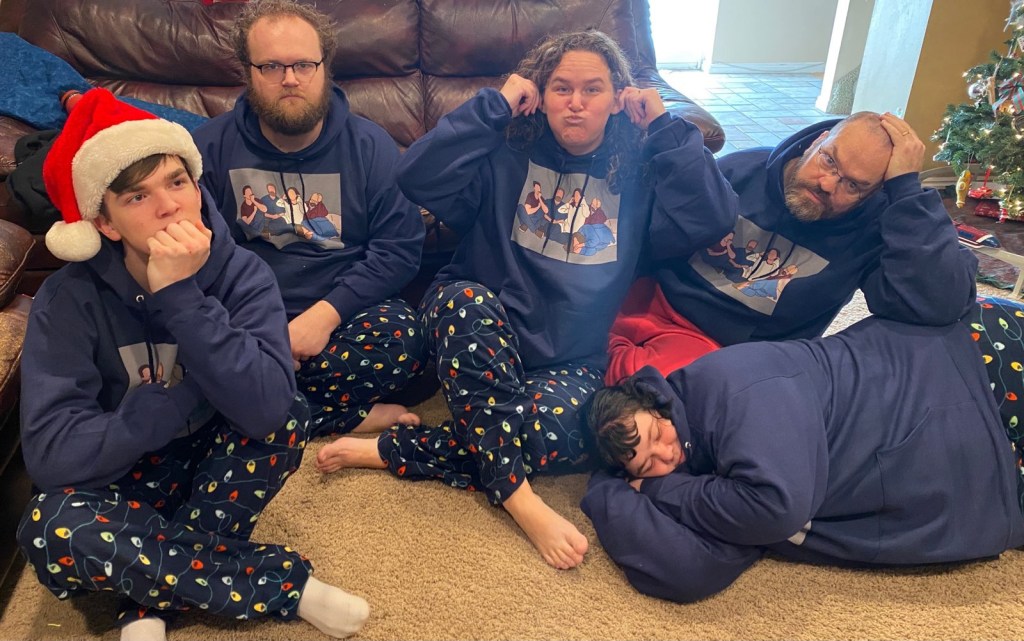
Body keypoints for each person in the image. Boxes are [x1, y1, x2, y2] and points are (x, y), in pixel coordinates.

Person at [315, 29, 738, 569]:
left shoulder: (641, 169)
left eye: (593, 89)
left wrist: (663, 127)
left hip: (568, 357)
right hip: (478, 326)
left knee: (572, 434)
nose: (576, 102)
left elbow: (712, 218)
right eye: (562, 88)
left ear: (617, 99)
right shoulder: (507, 148)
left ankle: (389, 450)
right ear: (542, 94)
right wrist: (495, 105)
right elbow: (415, 174)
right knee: (463, 301)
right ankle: (518, 497)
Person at [16, 88, 370, 641]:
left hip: (214, 464)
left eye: (178, 182)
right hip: (122, 476)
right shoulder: (67, 301)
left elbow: (268, 410)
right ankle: (282, 585)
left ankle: (145, 600)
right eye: (138, 196)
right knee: (47, 527)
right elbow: (52, 459)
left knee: (287, 412)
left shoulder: (241, 274)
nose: (169, 206)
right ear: (106, 223)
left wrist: (182, 299)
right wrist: (155, 413)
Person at [582, 295, 1024, 604]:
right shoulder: (696, 474)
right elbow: (688, 569)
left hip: (974, 363)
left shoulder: (730, 388)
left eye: (656, 435)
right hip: (988, 474)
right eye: (647, 464)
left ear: (655, 403)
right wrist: (606, 493)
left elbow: (775, 508)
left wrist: (657, 491)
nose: (665, 455)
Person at [192, 0, 427, 439]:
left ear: (325, 67)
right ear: (247, 72)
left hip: (338, 316)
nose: (290, 79)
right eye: (271, 66)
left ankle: (251, 407)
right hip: (243, 316)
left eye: (303, 64)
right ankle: (336, 415)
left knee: (405, 339)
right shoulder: (206, 148)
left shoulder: (371, 146)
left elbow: (398, 249)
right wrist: (257, 329)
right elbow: (197, 252)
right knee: (179, 343)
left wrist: (324, 317)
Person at [606, 111, 979, 384]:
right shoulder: (742, 170)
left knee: (679, 409)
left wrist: (907, 193)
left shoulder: (874, 228)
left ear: (875, 193)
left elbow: (941, 304)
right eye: (829, 160)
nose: (828, 184)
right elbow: (650, 235)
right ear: (818, 141)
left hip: (734, 358)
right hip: (654, 304)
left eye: (853, 185)